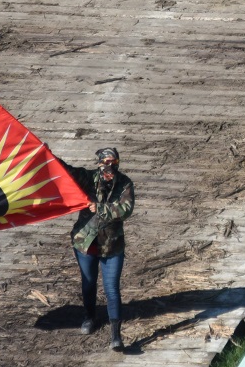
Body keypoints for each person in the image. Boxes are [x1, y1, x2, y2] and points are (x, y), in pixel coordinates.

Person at [64, 147, 135, 350]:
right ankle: (89, 317)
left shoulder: (124, 183)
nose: (109, 167)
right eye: (105, 163)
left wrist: (102, 208)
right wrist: (49, 155)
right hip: (86, 243)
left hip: (112, 245)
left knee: (112, 288)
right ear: (99, 164)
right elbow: (67, 172)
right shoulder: (89, 179)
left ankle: (116, 335)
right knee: (88, 283)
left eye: (113, 163)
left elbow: (126, 209)